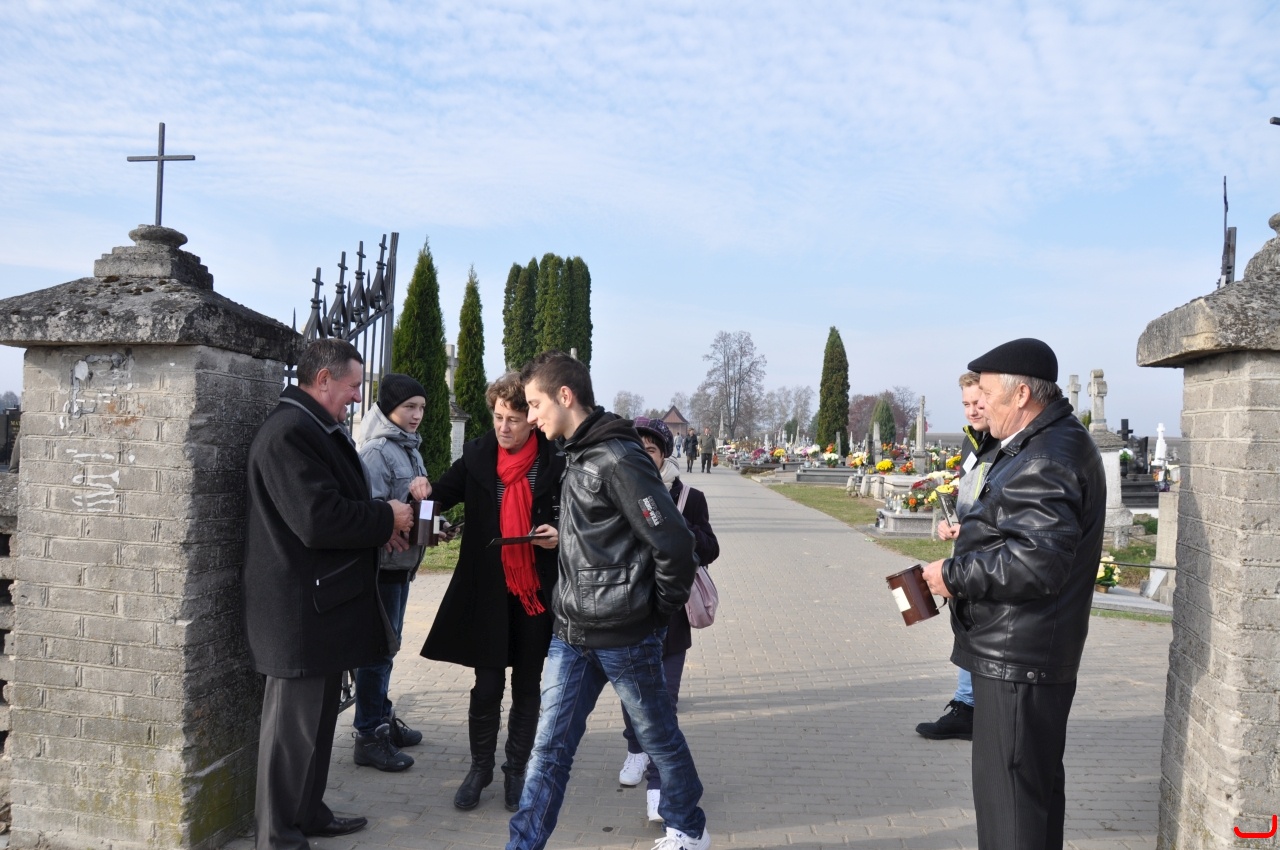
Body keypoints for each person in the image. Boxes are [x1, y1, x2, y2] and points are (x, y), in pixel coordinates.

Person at [507, 351, 710, 850]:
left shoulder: (618, 458)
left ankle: (688, 828)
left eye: (535, 404)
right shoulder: (577, 452)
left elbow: (674, 543)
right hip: (571, 635)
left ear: (565, 396)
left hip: (626, 637)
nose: (530, 417)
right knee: (548, 751)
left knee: (659, 739)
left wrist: (655, 612)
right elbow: (606, 533)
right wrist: (566, 539)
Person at [922, 338, 1105, 850]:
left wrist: (953, 575)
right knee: (1029, 798)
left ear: (1021, 394)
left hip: (1018, 658)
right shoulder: (1041, 443)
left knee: (1012, 808)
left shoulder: (1047, 454)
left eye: (987, 393)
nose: (981, 404)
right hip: (1022, 651)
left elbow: (1036, 564)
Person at [242, 339, 414, 850]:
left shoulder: (313, 427)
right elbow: (317, 519)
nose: (359, 397)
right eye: (353, 385)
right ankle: (277, 837)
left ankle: (308, 815)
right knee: (289, 736)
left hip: (322, 607)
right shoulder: (289, 433)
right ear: (323, 380)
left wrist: (381, 528)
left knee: (316, 729)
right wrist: (385, 516)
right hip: (297, 613)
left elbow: (335, 507)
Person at [421, 372, 564, 812]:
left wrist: (559, 535)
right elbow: (440, 495)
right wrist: (421, 498)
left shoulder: (555, 459)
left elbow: (581, 517)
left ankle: (516, 770)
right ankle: (479, 768)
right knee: (486, 686)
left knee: (527, 684)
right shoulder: (478, 455)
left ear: (531, 419)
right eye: (498, 417)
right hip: (486, 591)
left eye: (513, 419)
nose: (503, 427)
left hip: (534, 592)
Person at [618, 416, 719, 824]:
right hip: (628, 613)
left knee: (664, 704)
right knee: (632, 699)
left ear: (664, 454)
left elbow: (710, 548)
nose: (645, 457)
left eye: (652, 450)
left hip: (672, 619)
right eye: (637, 450)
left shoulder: (690, 497)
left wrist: (680, 529)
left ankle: (658, 787)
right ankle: (635, 749)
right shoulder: (617, 490)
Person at [350, 373, 431, 772]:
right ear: (389, 407)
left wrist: (432, 520)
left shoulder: (409, 448)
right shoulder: (377, 451)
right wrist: (393, 520)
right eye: (408, 407)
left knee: (388, 648)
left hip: (402, 567)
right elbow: (369, 510)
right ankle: (368, 734)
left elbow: (414, 503)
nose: (416, 415)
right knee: (378, 652)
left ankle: (381, 717)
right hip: (382, 568)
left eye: (421, 407)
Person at [914, 371, 996, 742]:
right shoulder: (972, 442)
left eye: (978, 402)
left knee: (978, 629)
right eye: (966, 404)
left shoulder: (1005, 444)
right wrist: (951, 524)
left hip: (989, 556)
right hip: (966, 548)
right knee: (965, 624)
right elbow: (971, 497)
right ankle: (968, 706)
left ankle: (971, 708)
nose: (972, 410)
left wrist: (974, 528)